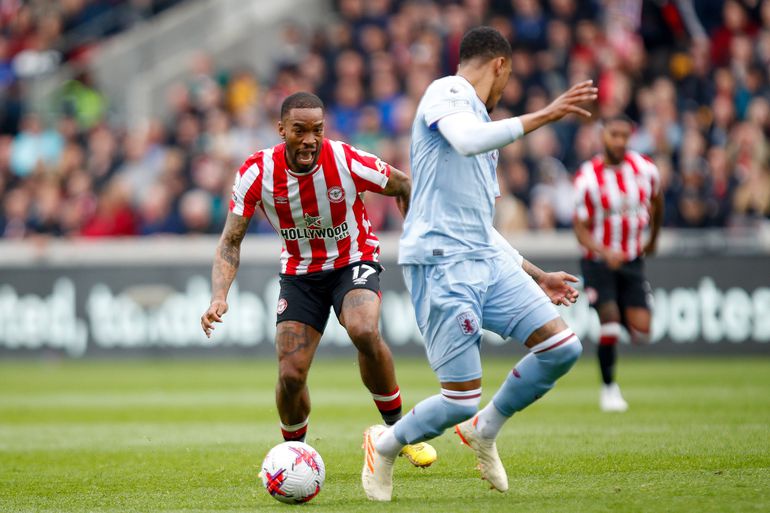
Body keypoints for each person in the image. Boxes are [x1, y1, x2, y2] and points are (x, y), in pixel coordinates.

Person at [361, 26, 597, 501]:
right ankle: (384, 443)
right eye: (508, 78)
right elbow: (467, 141)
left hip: (486, 259)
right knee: (459, 397)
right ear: (500, 65)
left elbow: (480, 223)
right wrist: (546, 114)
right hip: (442, 262)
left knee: (563, 348)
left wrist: (537, 274)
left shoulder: (481, 122)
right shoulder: (446, 93)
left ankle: (485, 428)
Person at [200, 92, 436, 468]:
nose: (310, 139)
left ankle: (398, 432)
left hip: (353, 258)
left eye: (317, 130)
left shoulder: (345, 159)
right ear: (281, 130)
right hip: (300, 273)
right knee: (290, 373)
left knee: (363, 329)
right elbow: (230, 240)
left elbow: (403, 184)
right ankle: (294, 455)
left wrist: (417, 239)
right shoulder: (256, 172)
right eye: (300, 130)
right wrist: (218, 296)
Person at [572, 114, 663, 412]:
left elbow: (657, 202)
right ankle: (609, 389)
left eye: (625, 135)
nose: (620, 142)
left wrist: (652, 239)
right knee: (609, 323)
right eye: (614, 135)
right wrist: (602, 250)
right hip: (598, 263)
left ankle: (621, 305)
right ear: (603, 136)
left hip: (632, 258)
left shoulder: (645, 170)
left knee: (644, 331)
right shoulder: (588, 177)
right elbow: (580, 228)